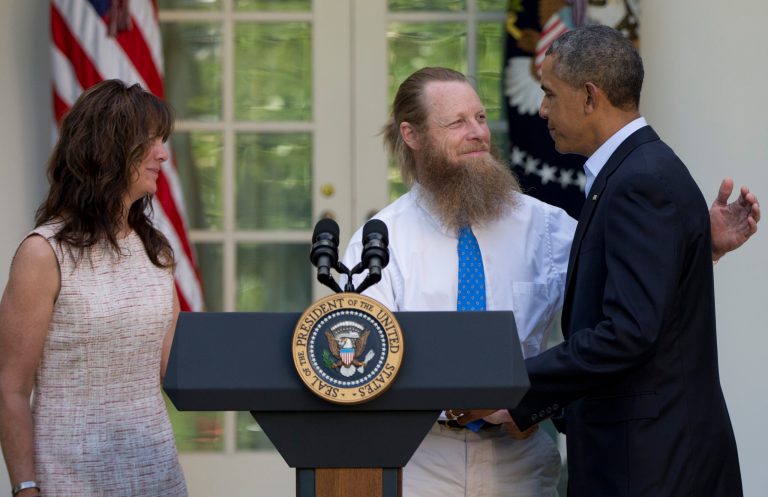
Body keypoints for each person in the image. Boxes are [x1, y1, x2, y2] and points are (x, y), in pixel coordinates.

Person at [342, 65, 759, 497]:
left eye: (481, 118)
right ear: (412, 135)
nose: (478, 133)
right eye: (457, 123)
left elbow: (629, 296)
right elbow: (365, 365)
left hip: (520, 460)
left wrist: (694, 243)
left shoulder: (544, 225)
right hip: (422, 461)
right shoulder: (379, 242)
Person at [457, 25, 751, 497]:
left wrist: (510, 384)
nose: (542, 109)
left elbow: (629, 332)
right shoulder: (636, 172)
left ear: (590, 96)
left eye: (550, 94)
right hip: (648, 456)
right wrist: (530, 406)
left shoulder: (639, 182)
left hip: (652, 466)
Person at [0, 80, 187, 497]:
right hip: (69, 479)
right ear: (110, 148)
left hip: (157, 476)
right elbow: (10, 388)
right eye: (151, 141)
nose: (162, 153)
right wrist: (25, 488)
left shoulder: (155, 250)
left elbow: (177, 367)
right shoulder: (43, 254)